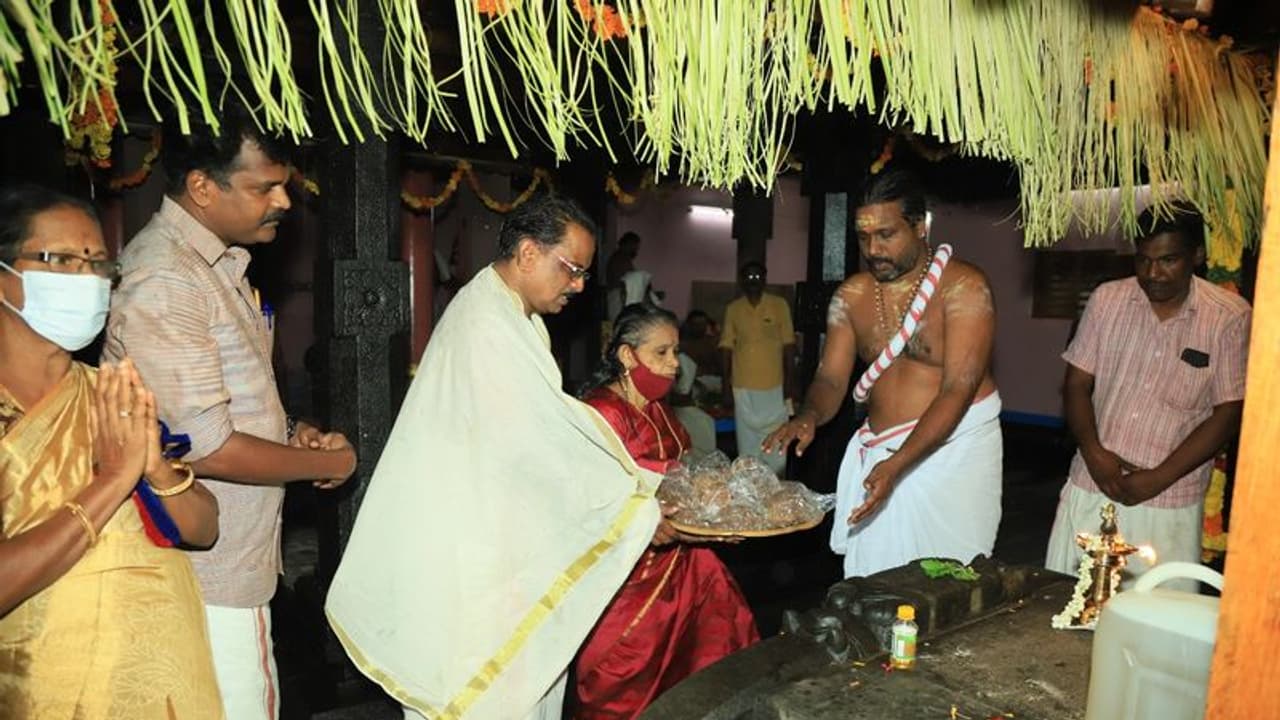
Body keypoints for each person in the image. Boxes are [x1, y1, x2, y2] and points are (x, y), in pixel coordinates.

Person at [325, 194, 662, 720]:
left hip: (496, 536)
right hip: (473, 552)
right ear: (529, 253)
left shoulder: (512, 315)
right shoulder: (485, 323)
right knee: (483, 694)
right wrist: (637, 502)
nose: (578, 285)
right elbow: (538, 443)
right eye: (571, 269)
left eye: (583, 274)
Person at [103, 117, 357, 720]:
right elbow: (208, 447)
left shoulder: (219, 266)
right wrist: (327, 461)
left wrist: (293, 434)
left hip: (227, 562)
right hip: (202, 577)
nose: (283, 202)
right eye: (264, 187)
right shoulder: (168, 276)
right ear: (201, 187)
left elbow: (227, 403)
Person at [0, 184, 223, 717]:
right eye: (60, 260)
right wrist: (112, 482)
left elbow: (204, 528)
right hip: (55, 688)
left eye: (99, 264)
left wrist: (155, 469)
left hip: (171, 681)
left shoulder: (111, 390)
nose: (87, 279)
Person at [763, 168, 1002, 579]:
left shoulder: (963, 287)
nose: (873, 249)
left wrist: (898, 465)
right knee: (874, 591)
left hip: (951, 456)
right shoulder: (852, 295)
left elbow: (958, 389)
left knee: (950, 584)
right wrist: (809, 416)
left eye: (887, 234)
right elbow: (831, 380)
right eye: (863, 236)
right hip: (881, 454)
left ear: (920, 227)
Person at [1045, 203, 1249, 591]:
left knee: (1155, 625)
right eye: (1144, 260)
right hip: (1093, 483)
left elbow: (1227, 413)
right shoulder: (1108, 300)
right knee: (1068, 604)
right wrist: (1094, 453)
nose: (1153, 273)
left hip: (1170, 496)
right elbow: (1076, 385)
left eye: (1168, 260)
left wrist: (1158, 478)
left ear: (1198, 255)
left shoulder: (1229, 317)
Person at [575, 304, 759, 719]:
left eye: (675, 351)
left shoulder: (658, 406)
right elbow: (595, 496)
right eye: (662, 353)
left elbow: (679, 468)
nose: (675, 364)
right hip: (627, 572)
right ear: (627, 355)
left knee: (706, 656)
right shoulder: (602, 411)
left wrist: (715, 500)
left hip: (680, 564)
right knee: (617, 678)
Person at [720, 261, 796, 475]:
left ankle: (774, 488)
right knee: (747, 445)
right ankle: (749, 492)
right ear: (741, 281)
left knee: (777, 444)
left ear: (765, 279)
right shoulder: (733, 309)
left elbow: (789, 346)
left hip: (775, 386)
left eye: (757, 277)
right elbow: (726, 348)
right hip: (743, 387)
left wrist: (790, 383)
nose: (753, 281)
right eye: (748, 277)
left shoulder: (779, 305)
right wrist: (725, 385)